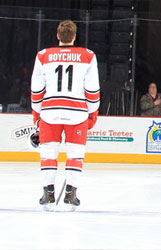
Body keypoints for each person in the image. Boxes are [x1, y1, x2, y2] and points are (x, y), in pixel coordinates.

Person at [30, 20, 100, 211]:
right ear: (74, 36)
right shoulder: (88, 55)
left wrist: (36, 111)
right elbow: (92, 88)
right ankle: (71, 193)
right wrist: (93, 111)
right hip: (77, 112)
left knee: (48, 154)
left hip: (50, 111)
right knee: (76, 155)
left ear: (58, 36)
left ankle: (48, 193)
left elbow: (37, 89)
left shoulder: (43, 55)